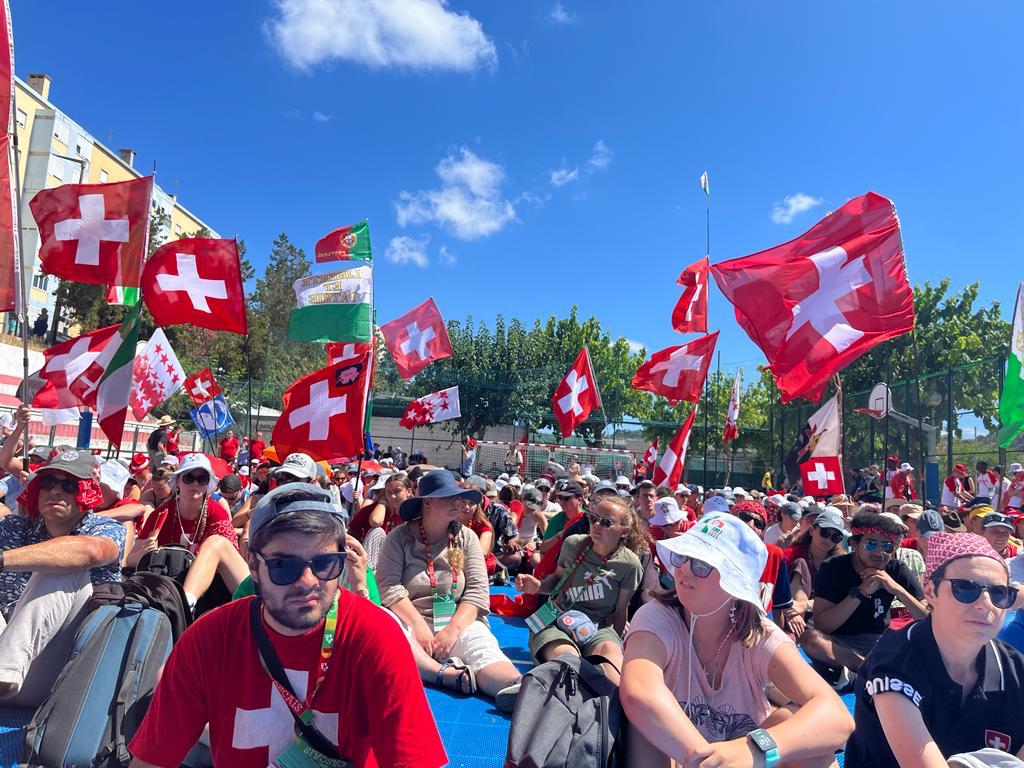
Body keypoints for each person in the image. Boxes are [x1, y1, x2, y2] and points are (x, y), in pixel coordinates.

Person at [127, 484, 447, 768]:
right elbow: (152, 760)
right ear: (253, 564)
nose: (307, 582)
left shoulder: (376, 635)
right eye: (283, 566)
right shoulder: (208, 639)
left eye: (325, 564)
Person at [620, 512, 854, 767]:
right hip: (681, 757)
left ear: (734, 582)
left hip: (745, 760)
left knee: (809, 736)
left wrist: (753, 750)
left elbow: (838, 717)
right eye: (683, 557)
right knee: (641, 727)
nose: (684, 569)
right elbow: (639, 691)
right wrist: (706, 760)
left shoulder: (760, 635)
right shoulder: (657, 618)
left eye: (701, 564)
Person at [845, 532, 1024, 767]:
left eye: (999, 593)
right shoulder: (895, 662)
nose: (985, 603)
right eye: (966, 588)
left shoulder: (1014, 668)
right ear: (930, 592)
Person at [376, 470, 522, 711]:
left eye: (459, 497)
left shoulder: (467, 538)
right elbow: (389, 588)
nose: (459, 503)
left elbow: (477, 592)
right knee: (388, 626)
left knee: (481, 645)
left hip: (456, 620)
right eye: (449, 497)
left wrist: (452, 631)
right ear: (428, 503)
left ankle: (518, 686)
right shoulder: (398, 538)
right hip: (411, 623)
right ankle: (442, 674)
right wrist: (420, 628)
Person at [0, 450, 125, 705]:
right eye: (47, 482)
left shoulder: (106, 529)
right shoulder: (14, 527)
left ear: (86, 492)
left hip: (64, 673)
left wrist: (3, 560)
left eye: (68, 485)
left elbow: (90, 551)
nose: (55, 491)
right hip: (12, 648)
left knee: (63, 566)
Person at [515, 493, 645, 684]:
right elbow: (557, 579)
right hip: (557, 617)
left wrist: (616, 642)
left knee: (611, 665)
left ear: (624, 530)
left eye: (606, 522)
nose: (597, 525)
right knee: (568, 660)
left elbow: (620, 610)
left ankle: (612, 703)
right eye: (593, 518)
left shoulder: (630, 564)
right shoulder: (573, 544)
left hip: (599, 626)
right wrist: (539, 587)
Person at [800, 508, 927, 684]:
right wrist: (860, 592)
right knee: (811, 639)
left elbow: (928, 619)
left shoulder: (896, 569)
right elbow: (823, 626)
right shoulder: (833, 568)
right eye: (871, 544)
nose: (879, 552)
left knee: (923, 645)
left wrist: (897, 590)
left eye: (887, 546)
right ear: (854, 544)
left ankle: (854, 676)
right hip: (838, 642)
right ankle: (873, 671)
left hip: (878, 642)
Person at [126, 453, 243, 613]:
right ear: (178, 480)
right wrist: (145, 552)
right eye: (189, 477)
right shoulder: (161, 514)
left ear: (208, 484)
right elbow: (130, 560)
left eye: (202, 479)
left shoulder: (217, 513)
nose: (195, 483)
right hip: (166, 587)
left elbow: (227, 561)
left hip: (208, 592)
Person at [784, 506, 846, 639]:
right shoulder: (791, 554)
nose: (828, 540)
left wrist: (805, 605)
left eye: (835, 537)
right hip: (791, 614)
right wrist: (793, 611)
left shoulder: (840, 563)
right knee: (800, 564)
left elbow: (839, 600)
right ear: (812, 530)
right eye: (825, 533)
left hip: (824, 617)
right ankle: (797, 629)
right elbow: (777, 589)